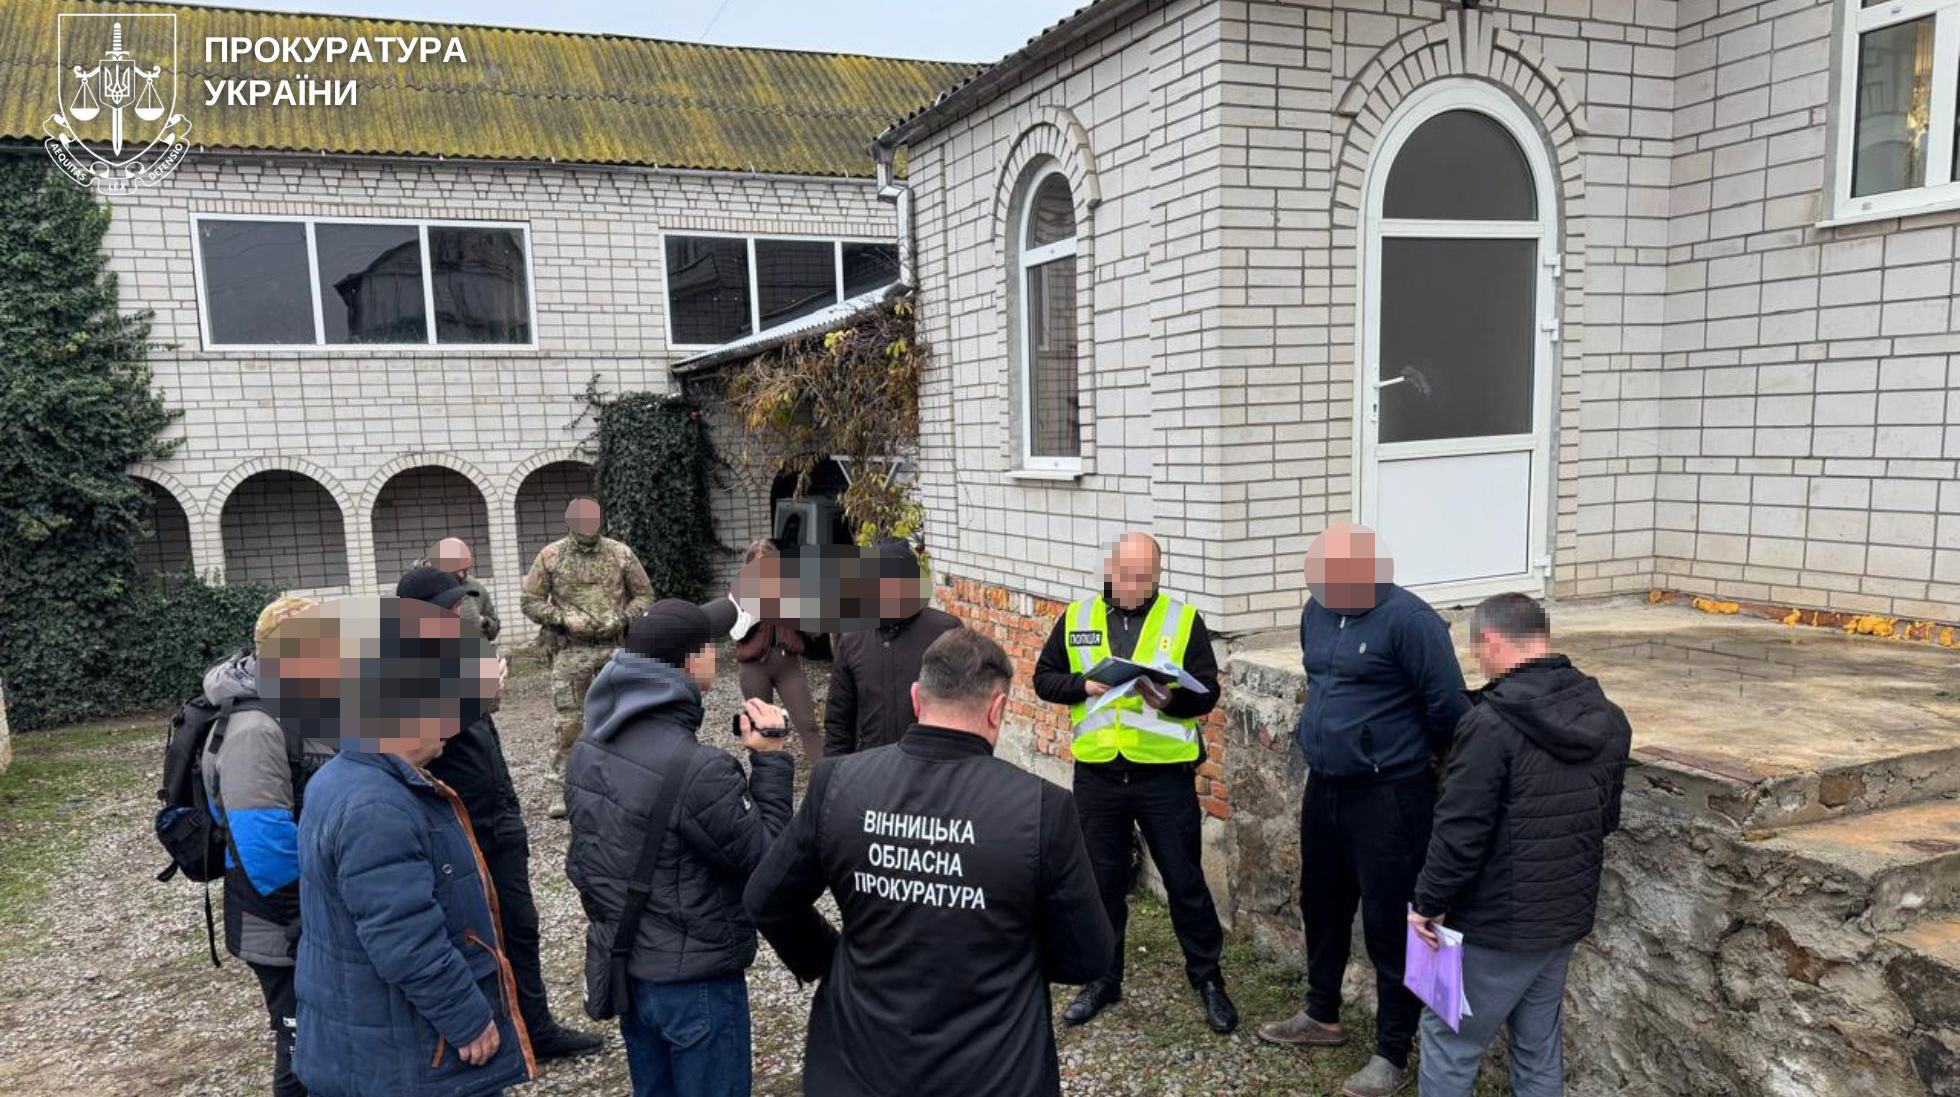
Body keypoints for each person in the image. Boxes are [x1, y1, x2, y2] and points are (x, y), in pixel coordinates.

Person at [745, 629, 1113, 1097]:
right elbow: (1087, 956)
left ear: (917, 698)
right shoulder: (1043, 808)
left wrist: (830, 959)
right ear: (997, 709)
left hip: (857, 1066)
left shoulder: (839, 782)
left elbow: (768, 898)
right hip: (993, 1071)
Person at [286, 595, 532, 1097]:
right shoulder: (377, 807)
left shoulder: (347, 776)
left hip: (375, 1039)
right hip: (408, 1057)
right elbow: (405, 939)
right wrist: (467, 1020)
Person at [1257, 523, 1471, 1097]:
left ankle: (1394, 1053)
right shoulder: (1318, 611)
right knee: (1321, 905)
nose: (1325, 585)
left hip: (1392, 797)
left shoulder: (1411, 621)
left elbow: (1449, 708)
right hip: (1324, 787)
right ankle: (1321, 1014)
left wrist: (1408, 758)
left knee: (1393, 923)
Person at [565, 598, 794, 1097]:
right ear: (692, 663)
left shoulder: (587, 747)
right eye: (712, 646)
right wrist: (772, 759)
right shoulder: (700, 768)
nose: (720, 654)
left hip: (629, 969)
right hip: (697, 987)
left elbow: (584, 865)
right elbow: (771, 864)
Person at [1408, 593, 1631, 1097]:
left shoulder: (1488, 724)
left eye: (1477, 652)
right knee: (1537, 1046)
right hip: (1564, 916)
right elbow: (1605, 818)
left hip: (1493, 924)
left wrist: (1428, 904)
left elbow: (1460, 832)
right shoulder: (1610, 716)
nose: (1479, 665)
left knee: (1449, 1039)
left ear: (1489, 640)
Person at [1032, 531, 1237, 1033]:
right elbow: (1043, 678)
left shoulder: (1183, 620)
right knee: (1101, 884)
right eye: (1126, 572)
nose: (1134, 583)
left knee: (1184, 880)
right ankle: (1103, 979)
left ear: (1159, 575)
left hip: (1162, 774)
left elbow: (1207, 690)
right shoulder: (1076, 618)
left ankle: (1208, 979)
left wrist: (1173, 701)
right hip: (1099, 775)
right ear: (1110, 569)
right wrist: (1083, 684)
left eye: (1145, 575)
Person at [396, 566, 603, 1061]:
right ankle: (482, 1033)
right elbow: (419, 740)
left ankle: (536, 1028)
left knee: (520, 924)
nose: (456, 613)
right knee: (473, 934)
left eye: (456, 606)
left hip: (498, 818)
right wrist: (476, 693)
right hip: (455, 825)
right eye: (445, 608)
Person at [198, 594, 329, 1097]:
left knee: (328, 1038)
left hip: (305, 912)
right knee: (302, 1049)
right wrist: (309, 919)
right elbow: (263, 845)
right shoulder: (256, 728)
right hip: (281, 921)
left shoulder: (303, 706)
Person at [521, 496, 654, 817]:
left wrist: (623, 618)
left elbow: (645, 595)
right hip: (571, 652)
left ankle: (627, 785)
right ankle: (563, 790)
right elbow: (530, 601)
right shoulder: (550, 556)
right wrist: (563, 619)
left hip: (616, 650)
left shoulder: (620, 554)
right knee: (569, 723)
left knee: (624, 717)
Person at [822, 539, 962, 756]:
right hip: (872, 769)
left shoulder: (945, 633)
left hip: (932, 769)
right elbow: (839, 721)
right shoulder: (853, 638)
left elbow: (966, 706)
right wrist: (834, 776)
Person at [731, 539, 820, 759]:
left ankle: (827, 779)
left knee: (808, 724)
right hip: (753, 669)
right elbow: (736, 632)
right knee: (761, 729)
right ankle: (764, 780)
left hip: (787, 665)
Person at [421, 537, 500, 641]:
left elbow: (493, 630)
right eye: (454, 570)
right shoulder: (415, 589)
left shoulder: (475, 587)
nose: (461, 575)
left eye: (464, 570)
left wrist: (482, 621)